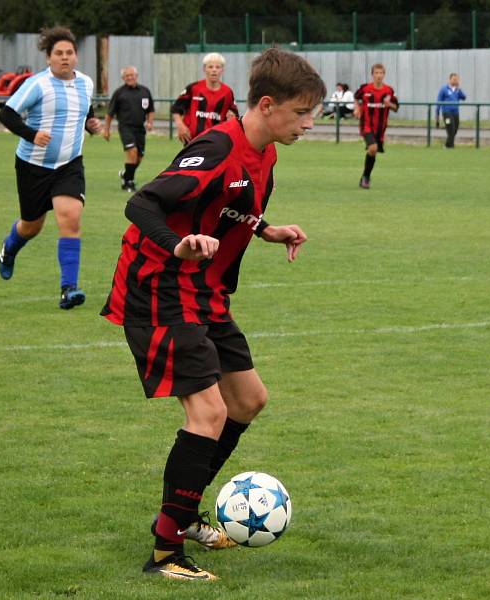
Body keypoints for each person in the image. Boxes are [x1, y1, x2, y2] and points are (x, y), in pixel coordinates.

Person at [100, 47, 324, 581]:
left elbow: (233, 207)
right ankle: (165, 551)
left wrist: (264, 229)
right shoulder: (218, 146)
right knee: (208, 413)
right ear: (267, 105)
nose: (308, 124)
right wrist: (177, 245)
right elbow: (142, 204)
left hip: (203, 293)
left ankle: (186, 515)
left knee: (248, 400)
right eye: (300, 113)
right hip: (159, 286)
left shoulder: (264, 152)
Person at [0, 26, 102, 310]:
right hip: (33, 167)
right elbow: (6, 114)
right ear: (49, 58)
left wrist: (91, 125)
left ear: (76, 57)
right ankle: (10, 247)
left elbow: (85, 111)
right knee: (32, 226)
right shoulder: (37, 84)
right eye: (59, 54)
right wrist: (32, 134)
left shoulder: (86, 84)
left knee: (70, 218)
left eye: (69, 53)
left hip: (69, 165)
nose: (64, 58)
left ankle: (69, 289)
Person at [103, 65, 155, 192]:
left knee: (139, 157)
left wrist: (149, 122)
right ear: (123, 78)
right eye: (127, 76)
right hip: (125, 127)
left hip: (140, 129)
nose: (130, 77)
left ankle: (126, 174)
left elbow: (150, 110)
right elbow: (110, 114)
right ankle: (129, 183)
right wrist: (106, 130)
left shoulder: (145, 91)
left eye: (132, 75)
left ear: (136, 76)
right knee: (132, 152)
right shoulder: (119, 93)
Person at [171, 52, 238, 145]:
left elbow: (234, 116)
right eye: (210, 67)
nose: (214, 70)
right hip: (192, 141)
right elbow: (175, 109)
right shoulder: (194, 88)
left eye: (217, 67)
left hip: (216, 142)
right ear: (204, 69)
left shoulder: (228, 92)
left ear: (222, 70)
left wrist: (232, 119)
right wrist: (180, 126)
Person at [354, 64, 398, 189]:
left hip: (380, 128)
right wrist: (357, 109)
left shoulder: (389, 90)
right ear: (372, 74)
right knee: (373, 148)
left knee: (373, 152)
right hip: (366, 125)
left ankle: (365, 176)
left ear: (384, 75)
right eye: (376, 73)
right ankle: (366, 178)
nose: (379, 75)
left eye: (381, 73)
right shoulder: (365, 88)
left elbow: (395, 108)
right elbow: (356, 97)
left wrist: (389, 104)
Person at [436, 73, 466, 149]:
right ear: (449, 80)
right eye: (454, 79)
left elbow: (464, 97)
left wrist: (459, 89)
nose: (455, 81)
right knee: (450, 128)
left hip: (455, 113)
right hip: (447, 113)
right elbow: (439, 101)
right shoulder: (444, 89)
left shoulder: (457, 90)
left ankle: (450, 145)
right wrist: (437, 113)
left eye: (456, 80)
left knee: (455, 129)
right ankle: (447, 145)